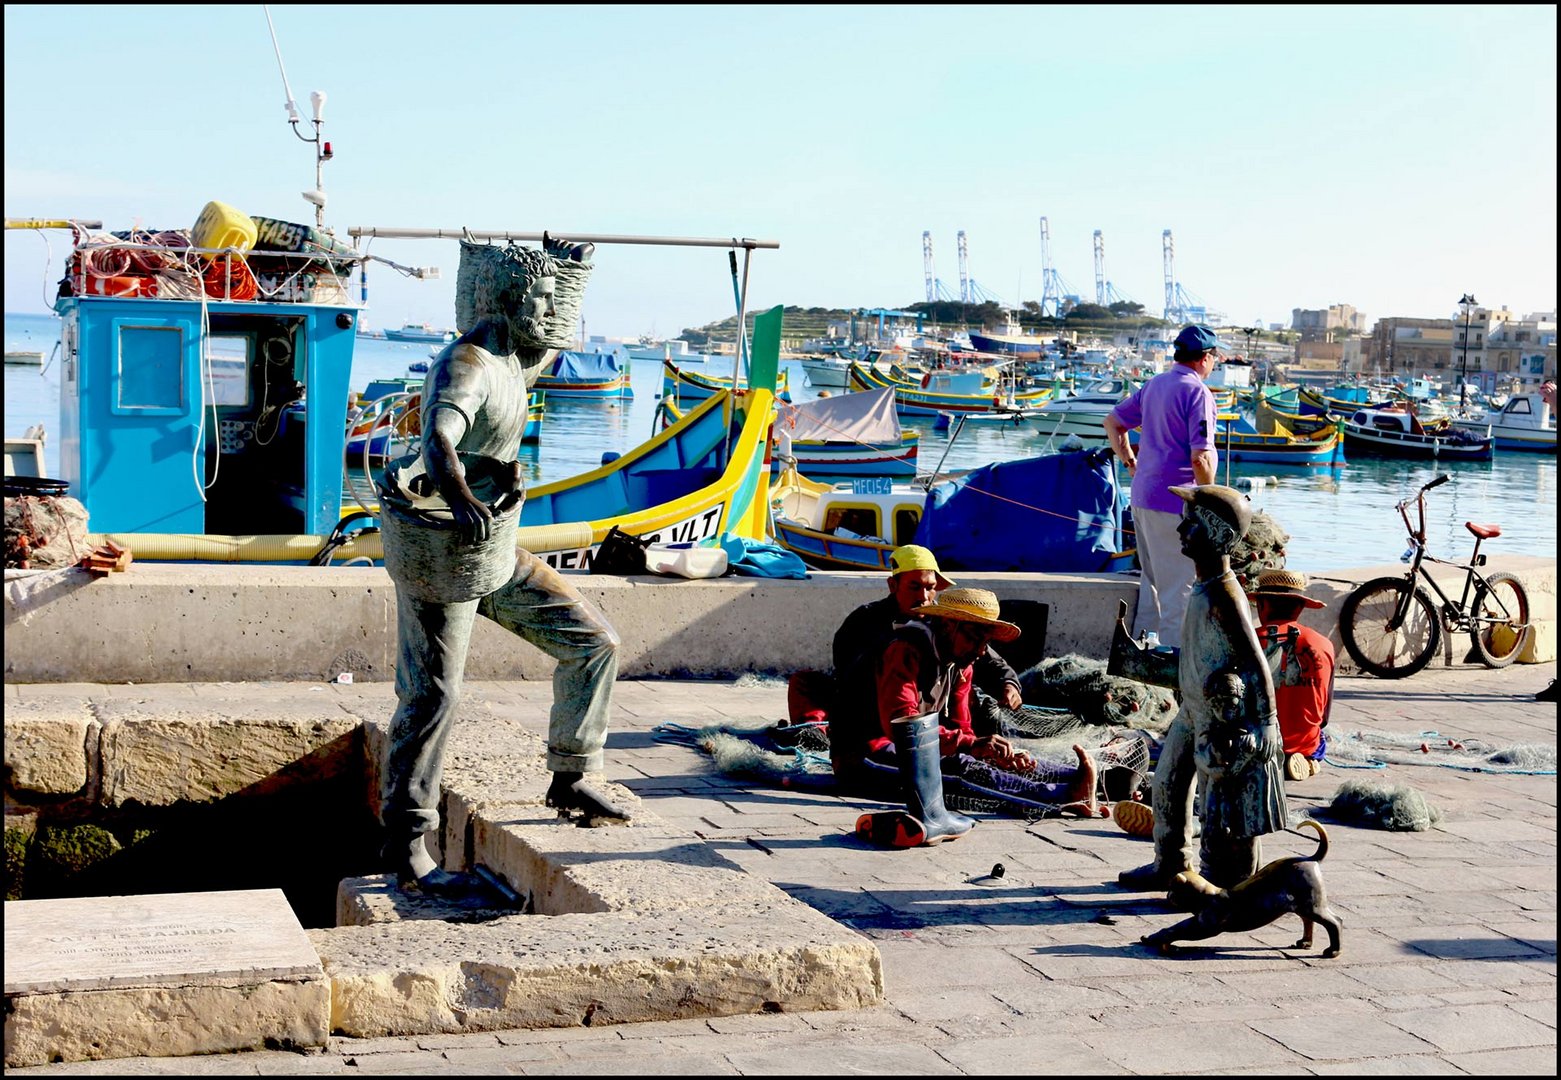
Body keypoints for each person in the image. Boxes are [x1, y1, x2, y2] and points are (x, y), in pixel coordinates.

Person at [378, 238, 627, 896]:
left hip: (494, 550)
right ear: (507, 298)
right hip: (442, 548)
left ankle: (572, 773)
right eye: (540, 297)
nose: (552, 311)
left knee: (593, 643)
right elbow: (438, 438)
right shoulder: (466, 364)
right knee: (432, 695)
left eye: (554, 300)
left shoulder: (521, 357)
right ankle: (407, 848)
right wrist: (460, 496)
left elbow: (556, 332)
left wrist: (572, 267)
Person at [1117, 483, 1285, 891]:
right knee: (1168, 785)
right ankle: (1171, 863)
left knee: (1216, 803)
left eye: (1190, 523)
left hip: (1218, 718)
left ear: (1216, 535)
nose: (1180, 530)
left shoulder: (1225, 596)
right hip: (1192, 711)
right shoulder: (1202, 590)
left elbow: (1255, 662)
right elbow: (1196, 656)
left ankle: (1221, 882)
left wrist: (1267, 719)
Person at [853, 587, 1100, 848]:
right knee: (962, 770)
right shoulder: (904, 650)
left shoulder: (963, 662)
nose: (982, 651)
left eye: (986, 643)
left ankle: (1079, 778)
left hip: (921, 748)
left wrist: (987, 751)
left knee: (993, 759)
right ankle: (1064, 797)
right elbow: (901, 727)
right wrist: (970, 746)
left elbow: (962, 728)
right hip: (869, 752)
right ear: (949, 625)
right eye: (974, 639)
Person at [795, 545, 1022, 787]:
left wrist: (1008, 683)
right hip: (876, 731)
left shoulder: (948, 635)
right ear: (893, 586)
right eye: (915, 587)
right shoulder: (871, 627)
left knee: (978, 751)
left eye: (931, 588)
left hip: (922, 725)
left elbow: (986, 657)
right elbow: (860, 685)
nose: (924, 597)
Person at [1103, 324, 1225, 650]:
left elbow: (1113, 422)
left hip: (1142, 497)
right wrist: (1208, 498)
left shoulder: (1154, 384)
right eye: (1215, 357)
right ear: (1204, 358)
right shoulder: (1198, 393)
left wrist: (1130, 463)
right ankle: (1174, 668)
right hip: (1176, 504)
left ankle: (1146, 653)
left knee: (1153, 583)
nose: (1215, 363)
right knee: (1180, 592)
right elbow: (1201, 458)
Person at [1249, 569, 1334, 781]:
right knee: (1321, 737)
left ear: (1262, 604)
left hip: (1252, 746)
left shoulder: (1245, 642)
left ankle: (1278, 760)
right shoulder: (1324, 645)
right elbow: (1323, 717)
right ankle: (1301, 760)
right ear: (1300, 607)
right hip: (1306, 745)